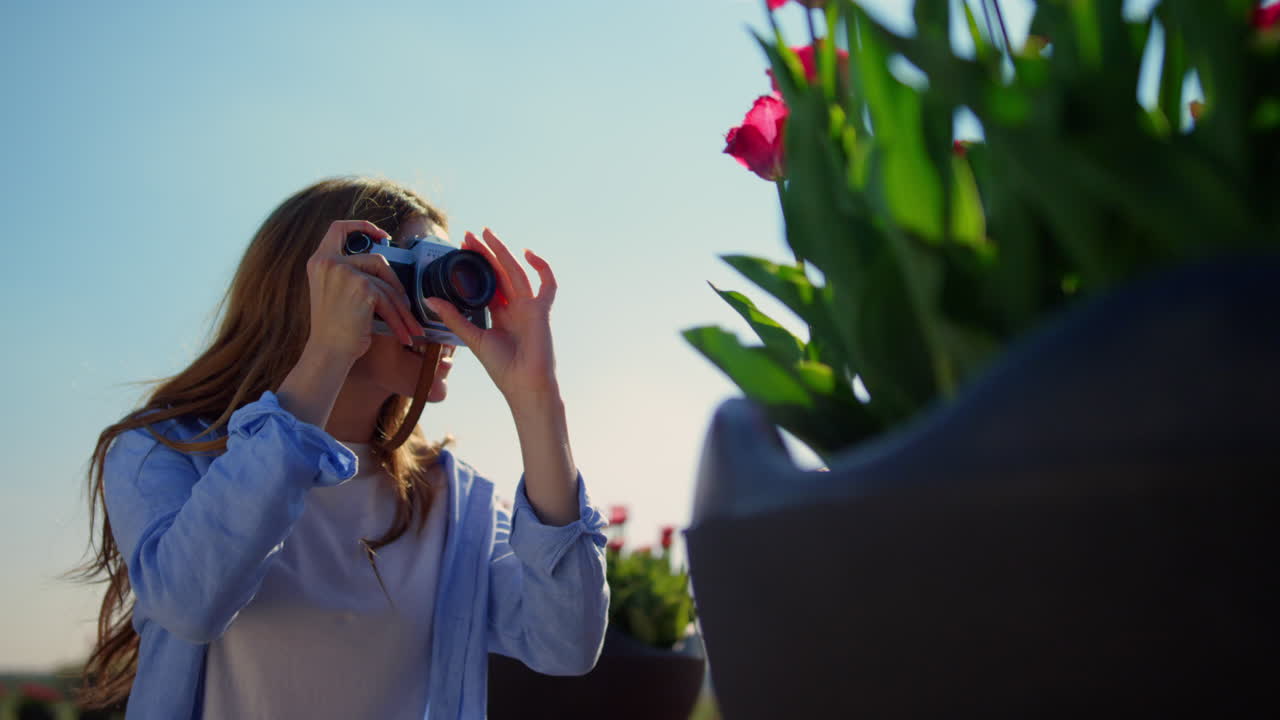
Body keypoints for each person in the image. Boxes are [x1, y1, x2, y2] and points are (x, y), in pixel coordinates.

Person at [71, 176, 610, 719]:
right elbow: (189, 604)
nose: (446, 311)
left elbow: (564, 645)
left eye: (453, 281)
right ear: (315, 289)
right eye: (417, 276)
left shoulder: (452, 499)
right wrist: (326, 351)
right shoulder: (164, 450)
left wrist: (538, 400)